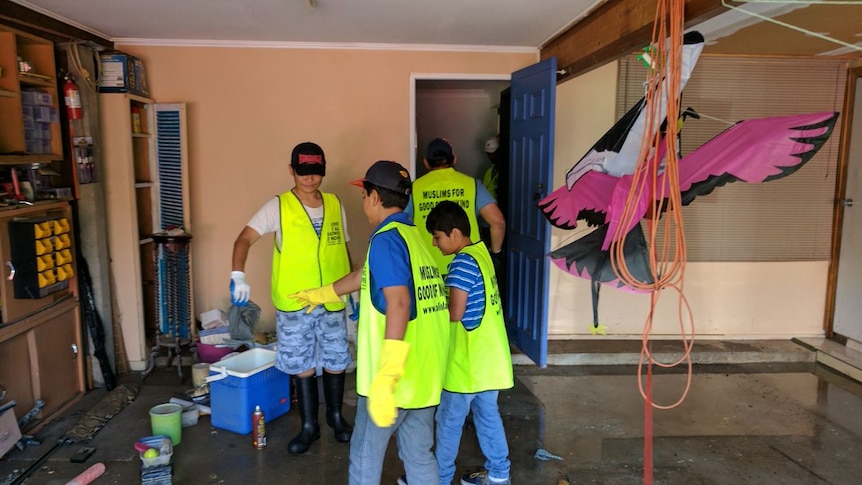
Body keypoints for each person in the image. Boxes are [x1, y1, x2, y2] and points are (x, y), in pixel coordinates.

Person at [291, 160, 451, 485]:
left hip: (391, 381)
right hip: (424, 377)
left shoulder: (385, 240)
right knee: (419, 456)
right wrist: (322, 293)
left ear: (375, 197)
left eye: (364, 194)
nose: (363, 201)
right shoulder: (413, 238)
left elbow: (400, 301)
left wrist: (387, 375)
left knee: (365, 457)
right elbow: (364, 277)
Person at [229, 141, 353, 454]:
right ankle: (309, 426)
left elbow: (343, 249)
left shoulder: (335, 203)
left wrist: (354, 292)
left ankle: (336, 417)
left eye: (315, 172)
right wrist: (237, 274)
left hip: (333, 300)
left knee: (337, 360)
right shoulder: (278, 206)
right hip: (296, 303)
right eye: (303, 172)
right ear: (291, 170)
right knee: (303, 365)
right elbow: (243, 239)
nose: (310, 178)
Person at [427, 200, 514, 485]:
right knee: (488, 417)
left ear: (454, 233)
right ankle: (499, 473)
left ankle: (440, 477)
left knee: (449, 422)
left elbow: (455, 313)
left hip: (467, 365)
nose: (434, 243)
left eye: (437, 237)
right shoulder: (481, 252)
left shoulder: (461, 263)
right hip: (490, 362)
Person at [407, 138, 505, 279]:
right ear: (454, 159)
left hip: (427, 271)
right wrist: (495, 254)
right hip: (468, 268)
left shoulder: (414, 189)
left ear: (426, 162)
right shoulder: (472, 185)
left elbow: (399, 225)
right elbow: (498, 222)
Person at [481, 135, 500, 200]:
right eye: (488, 154)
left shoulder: (507, 171)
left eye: (493, 153)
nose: (490, 157)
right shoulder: (489, 171)